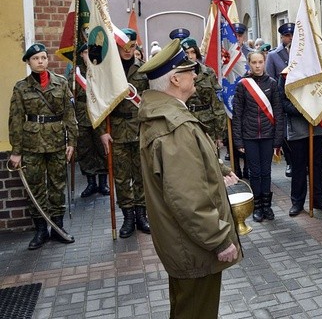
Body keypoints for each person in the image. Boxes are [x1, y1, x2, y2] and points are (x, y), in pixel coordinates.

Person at [138, 39, 242, 319]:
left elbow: (187, 169)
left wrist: (217, 168)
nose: (196, 75)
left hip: (185, 243)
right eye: (188, 71)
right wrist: (219, 240)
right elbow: (187, 197)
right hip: (195, 247)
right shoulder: (174, 125)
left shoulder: (167, 116)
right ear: (174, 79)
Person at [8, 43, 77, 249]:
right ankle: (40, 230)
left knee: (57, 186)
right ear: (28, 62)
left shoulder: (61, 83)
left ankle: (57, 228)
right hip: (31, 145)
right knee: (35, 187)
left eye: (44, 58)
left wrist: (72, 142)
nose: (41, 61)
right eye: (36, 58)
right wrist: (16, 151)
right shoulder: (21, 87)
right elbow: (16, 120)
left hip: (56, 143)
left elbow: (69, 116)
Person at [98, 28, 151, 238]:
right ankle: (128, 218)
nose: (128, 50)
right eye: (123, 46)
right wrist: (102, 132)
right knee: (121, 178)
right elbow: (100, 104)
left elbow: (151, 99)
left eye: (131, 46)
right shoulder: (110, 72)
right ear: (117, 47)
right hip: (117, 131)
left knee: (141, 175)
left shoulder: (144, 70)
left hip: (140, 129)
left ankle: (141, 215)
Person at [232, 51, 285, 222]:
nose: (257, 65)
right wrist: (238, 140)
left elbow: (278, 112)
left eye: (260, 62)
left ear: (264, 62)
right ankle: (257, 207)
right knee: (255, 173)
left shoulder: (272, 83)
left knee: (266, 171)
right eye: (254, 62)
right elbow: (237, 114)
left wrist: (278, 139)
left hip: (268, 135)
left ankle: (267, 206)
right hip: (250, 136)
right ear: (249, 63)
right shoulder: (243, 85)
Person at [278, 67, 322, 216]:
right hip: (298, 130)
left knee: (316, 166)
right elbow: (282, 102)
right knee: (299, 167)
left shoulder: (315, 69)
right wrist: (303, 109)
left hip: (316, 127)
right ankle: (297, 201)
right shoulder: (285, 75)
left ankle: (317, 198)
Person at [70, 44, 109, 198]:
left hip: (99, 115)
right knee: (85, 151)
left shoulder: (100, 71)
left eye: (89, 52)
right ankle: (91, 183)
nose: (87, 55)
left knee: (101, 149)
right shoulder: (76, 73)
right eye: (84, 52)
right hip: (81, 115)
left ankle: (103, 183)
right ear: (80, 55)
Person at [180, 37, 226, 151]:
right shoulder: (178, 74)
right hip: (187, 122)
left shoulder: (208, 72)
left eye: (193, 52)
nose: (190, 56)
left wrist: (219, 134)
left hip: (208, 124)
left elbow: (217, 104)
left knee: (211, 160)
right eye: (186, 53)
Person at [266, 22, 295, 177]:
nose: (290, 38)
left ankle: (299, 162)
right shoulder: (273, 55)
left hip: (298, 97)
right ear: (282, 37)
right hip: (281, 97)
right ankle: (290, 162)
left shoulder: (300, 52)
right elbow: (270, 77)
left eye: (292, 35)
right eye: (287, 36)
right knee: (284, 132)